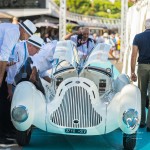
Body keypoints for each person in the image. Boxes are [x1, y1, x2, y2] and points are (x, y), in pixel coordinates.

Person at [0, 35, 43, 144]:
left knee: (7, 106)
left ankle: (8, 131)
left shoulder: (25, 49)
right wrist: (10, 89)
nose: (37, 52)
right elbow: (11, 72)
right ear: (30, 46)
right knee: (3, 107)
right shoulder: (21, 50)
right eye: (37, 49)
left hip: (6, 77)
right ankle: (2, 136)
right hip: (4, 76)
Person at [0, 19, 37, 87]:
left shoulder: (15, 31)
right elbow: (3, 56)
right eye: (28, 36)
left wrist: (9, 62)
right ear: (24, 32)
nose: (26, 39)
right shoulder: (14, 32)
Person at [131, 19, 150, 131]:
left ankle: (142, 121)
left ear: (144, 26)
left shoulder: (138, 37)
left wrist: (132, 71)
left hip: (142, 66)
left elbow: (133, 55)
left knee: (142, 94)